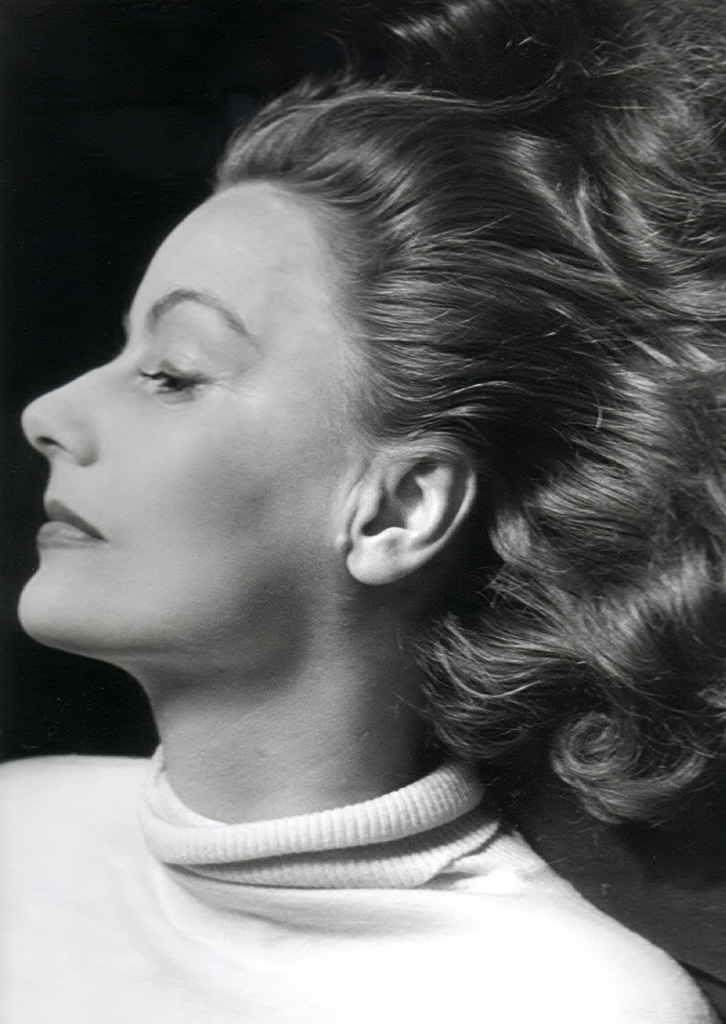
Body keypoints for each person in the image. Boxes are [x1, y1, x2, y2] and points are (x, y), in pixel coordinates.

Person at [2, 0, 724, 1021]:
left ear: (399, 511)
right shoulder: (17, 825)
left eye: (172, 373)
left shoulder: (564, 1003)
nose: (48, 413)